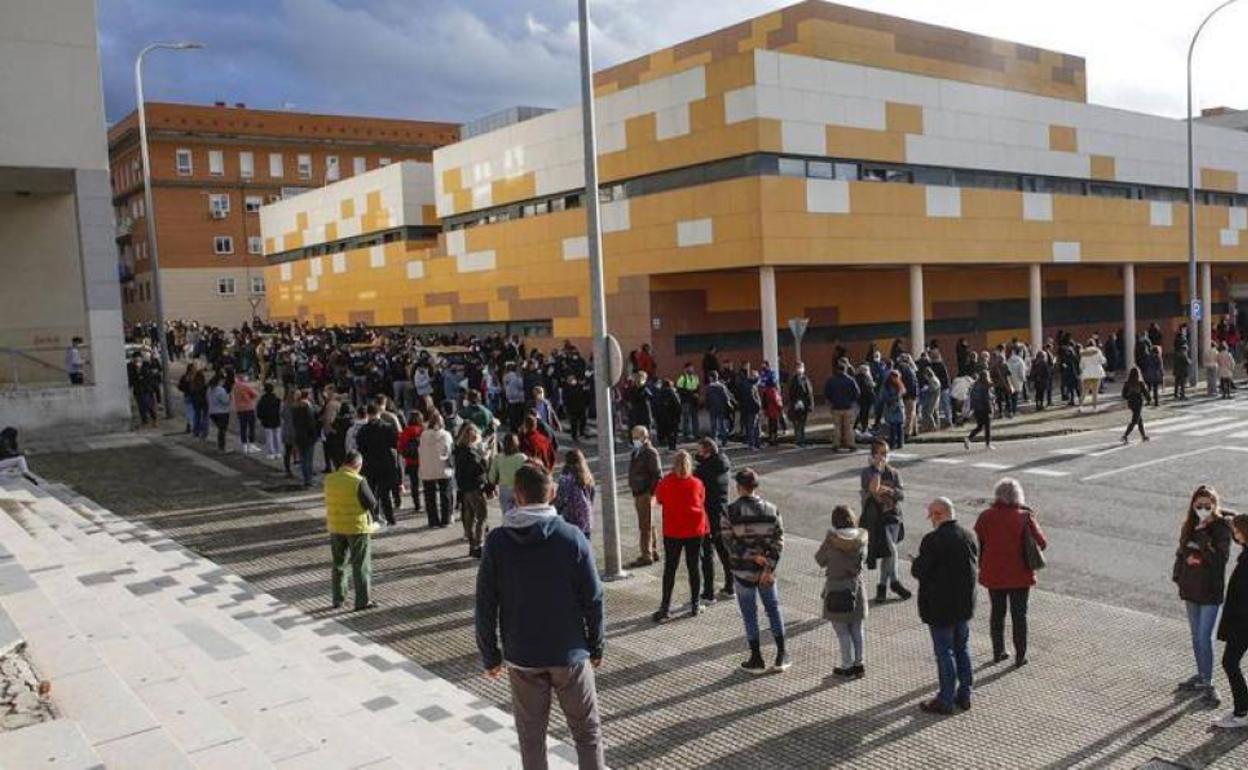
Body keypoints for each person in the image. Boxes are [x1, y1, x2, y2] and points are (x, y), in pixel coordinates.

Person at [475, 463, 605, 770]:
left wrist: (490, 655)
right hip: (570, 653)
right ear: (553, 493)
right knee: (587, 733)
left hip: (522, 655)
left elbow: (485, 602)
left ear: (517, 496)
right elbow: (594, 598)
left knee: (531, 738)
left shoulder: (497, 542)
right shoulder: (572, 537)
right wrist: (596, 645)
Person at [913, 497, 978, 715]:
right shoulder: (968, 535)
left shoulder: (933, 540)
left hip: (940, 608)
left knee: (944, 653)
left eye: (931, 516)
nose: (931, 520)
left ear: (938, 515)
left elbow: (921, 570)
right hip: (964, 606)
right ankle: (965, 694)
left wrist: (916, 563)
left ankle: (945, 699)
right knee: (962, 649)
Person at [974, 478, 1046, 667]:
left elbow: (981, 538)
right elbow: (1042, 542)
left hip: (993, 572)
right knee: (1019, 616)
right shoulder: (1024, 517)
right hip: (1020, 574)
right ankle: (1020, 656)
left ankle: (998, 651)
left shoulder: (985, 516)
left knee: (997, 613)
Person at [723, 468, 788, 673]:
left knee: (749, 615)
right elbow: (779, 540)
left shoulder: (729, 511)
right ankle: (781, 655)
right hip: (766, 573)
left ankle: (756, 658)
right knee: (773, 610)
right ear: (756, 486)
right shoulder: (772, 509)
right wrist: (768, 565)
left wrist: (751, 555)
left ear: (739, 487)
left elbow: (728, 542)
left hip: (742, 571)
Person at [1173, 485, 1232, 707]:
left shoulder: (1221, 528)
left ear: (1215, 505)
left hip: (1210, 592)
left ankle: (1208, 682)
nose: (1203, 510)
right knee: (1195, 636)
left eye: (1208, 506)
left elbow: (1220, 560)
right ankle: (1201, 675)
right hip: (1191, 588)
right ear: (1193, 505)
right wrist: (1180, 573)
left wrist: (1203, 537)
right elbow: (1182, 552)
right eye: (1199, 506)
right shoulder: (1189, 525)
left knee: (1205, 637)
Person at [652, 450, 710, 622]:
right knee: (694, 567)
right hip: (695, 529)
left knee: (670, 568)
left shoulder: (666, 482)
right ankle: (695, 604)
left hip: (673, 530)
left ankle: (665, 607)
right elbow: (702, 500)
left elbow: (659, 499)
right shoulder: (697, 483)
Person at [816, 505, 869, 678]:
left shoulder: (832, 539)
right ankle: (859, 664)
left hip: (836, 587)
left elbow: (820, 559)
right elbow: (864, 559)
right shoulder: (862, 538)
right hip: (856, 586)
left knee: (842, 631)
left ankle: (846, 667)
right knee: (857, 629)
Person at [324, 451, 378, 612]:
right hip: (356, 528)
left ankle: (338, 598)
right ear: (357, 465)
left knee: (339, 564)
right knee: (360, 565)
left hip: (335, 526)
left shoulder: (330, 479)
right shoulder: (358, 481)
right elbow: (372, 503)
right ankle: (362, 601)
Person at [859, 439, 910, 603]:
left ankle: (882, 587)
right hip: (877, 518)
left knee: (889, 555)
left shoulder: (894, 472)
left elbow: (901, 494)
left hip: (893, 516)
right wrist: (878, 471)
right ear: (873, 455)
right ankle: (894, 582)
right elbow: (873, 490)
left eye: (886, 454)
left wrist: (890, 490)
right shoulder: (867, 472)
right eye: (880, 454)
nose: (883, 457)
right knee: (891, 551)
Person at [1216, 514, 1248, 729]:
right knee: (1231, 663)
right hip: (1240, 621)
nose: (1235, 535)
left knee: (1230, 662)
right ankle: (1242, 706)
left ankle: (1242, 712)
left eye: (1237, 531)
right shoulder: (1246, 551)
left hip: (1243, 623)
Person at [694, 437, 734, 600]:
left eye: (699, 450)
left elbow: (697, 487)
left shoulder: (704, 471)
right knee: (724, 551)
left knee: (707, 554)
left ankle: (708, 592)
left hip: (708, 515)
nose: (697, 453)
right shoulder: (723, 465)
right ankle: (730, 586)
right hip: (722, 513)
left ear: (707, 452)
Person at [355, 404, 400, 526]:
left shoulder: (363, 430)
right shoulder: (387, 427)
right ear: (379, 413)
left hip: (369, 464)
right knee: (385, 493)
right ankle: (390, 518)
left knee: (371, 492)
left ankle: (374, 516)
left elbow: (360, 447)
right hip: (385, 463)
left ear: (368, 414)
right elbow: (394, 444)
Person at [627, 426, 662, 567]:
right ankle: (653, 550)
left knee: (644, 526)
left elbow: (657, 475)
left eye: (636, 437)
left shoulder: (650, 452)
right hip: (639, 492)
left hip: (645, 493)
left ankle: (646, 555)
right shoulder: (637, 451)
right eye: (633, 437)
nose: (634, 440)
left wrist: (651, 493)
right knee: (648, 524)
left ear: (644, 437)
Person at [454, 423, 490, 557]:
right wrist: (485, 458)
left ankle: (472, 544)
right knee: (482, 516)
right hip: (475, 487)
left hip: (464, 487)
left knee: (469, 517)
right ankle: (478, 544)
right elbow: (479, 469)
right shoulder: (471, 452)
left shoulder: (459, 450)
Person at [418, 412, 455, 528]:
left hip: (427, 469)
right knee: (445, 494)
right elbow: (449, 451)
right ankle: (446, 519)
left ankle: (433, 521)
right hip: (443, 468)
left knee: (430, 496)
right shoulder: (446, 435)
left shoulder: (423, 435)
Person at [554, 449, 595, 538]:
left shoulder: (565, 479)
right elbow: (591, 498)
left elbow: (559, 501)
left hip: (569, 521)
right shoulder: (588, 478)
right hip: (585, 521)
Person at [488, 433, 528, 514]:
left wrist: (493, 484)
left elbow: (491, 477)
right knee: (520, 513)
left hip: (504, 489)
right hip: (519, 488)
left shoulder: (498, 457)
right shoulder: (522, 458)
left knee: (507, 514)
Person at [825, 363, 860, 452]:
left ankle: (836, 444)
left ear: (836, 369)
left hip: (836, 407)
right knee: (848, 427)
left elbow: (827, 393)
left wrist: (832, 401)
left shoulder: (831, 380)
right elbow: (857, 393)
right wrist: (851, 400)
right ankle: (851, 444)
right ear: (845, 370)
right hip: (848, 407)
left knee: (837, 427)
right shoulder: (850, 380)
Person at [397, 412, 424, 514]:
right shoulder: (422, 430)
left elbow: (400, 446)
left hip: (411, 461)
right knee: (426, 483)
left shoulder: (406, 431)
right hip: (423, 460)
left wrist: (404, 455)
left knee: (414, 484)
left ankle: (417, 505)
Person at [963, 370, 993, 450]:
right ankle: (988, 444)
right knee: (987, 427)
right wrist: (990, 409)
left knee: (980, 426)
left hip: (977, 409)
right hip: (985, 409)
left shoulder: (975, 385)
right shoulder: (985, 386)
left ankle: (968, 438)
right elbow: (986, 399)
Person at [231, 373, 260, 454]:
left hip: (239, 409)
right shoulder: (245, 386)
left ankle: (244, 445)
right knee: (251, 427)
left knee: (243, 427)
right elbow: (255, 394)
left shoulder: (235, 387)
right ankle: (251, 445)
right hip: (248, 408)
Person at [787, 362, 813, 446]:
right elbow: (791, 393)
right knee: (797, 423)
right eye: (798, 367)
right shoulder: (793, 380)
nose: (800, 369)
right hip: (796, 405)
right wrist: (796, 402)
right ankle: (799, 440)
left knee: (802, 423)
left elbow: (809, 393)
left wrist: (810, 405)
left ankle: (802, 439)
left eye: (801, 367)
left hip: (804, 405)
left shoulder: (805, 379)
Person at [1121, 366, 1149, 444]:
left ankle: (1143, 436)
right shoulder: (1140, 383)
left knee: (1139, 419)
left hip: (1131, 403)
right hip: (1138, 403)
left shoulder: (1127, 383)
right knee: (1135, 420)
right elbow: (1146, 393)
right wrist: (1149, 400)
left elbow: (1123, 395)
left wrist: (1129, 397)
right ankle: (1125, 436)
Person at [1078, 340, 1106, 413]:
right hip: (1097, 372)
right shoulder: (1098, 351)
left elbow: (1081, 365)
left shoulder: (1084, 352)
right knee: (1095, 392)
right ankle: (1094, 408)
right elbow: (1102, 361)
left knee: (1084, 391)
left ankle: (1080, 406)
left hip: (1087, 373)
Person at [257, 382, 283, 460]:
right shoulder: (277, 399)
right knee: (277, 436)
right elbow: (281, 410)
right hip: (276, 419)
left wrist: (261, 418)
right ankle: (278, 452)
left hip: (267, 421)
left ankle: (271, 452)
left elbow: (259, 411)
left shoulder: (262, 400)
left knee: (269, 437)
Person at [675, 362, 701, 440]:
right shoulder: (682, 378)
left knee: (695, 417)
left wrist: (697, 394)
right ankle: (686, 434)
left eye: (692, 368)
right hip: (686, 401)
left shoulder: (695, 377)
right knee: (686, 418)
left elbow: (698, 387)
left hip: (694, 401)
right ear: (685, 369)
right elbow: (679, 390)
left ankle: (696, 433)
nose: (691, 369)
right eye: (689, 368)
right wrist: (691, 394)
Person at [207, 375, 232, 452]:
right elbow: (225, 401)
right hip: (222, 412)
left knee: (220, 430)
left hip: (212, 412)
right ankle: (222, 447)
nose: (223, 382)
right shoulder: (220, 390)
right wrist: (229, 396)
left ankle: (220, 446)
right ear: (219, 381)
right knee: (222, 430)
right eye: (223, 381)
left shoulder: (209, 389)